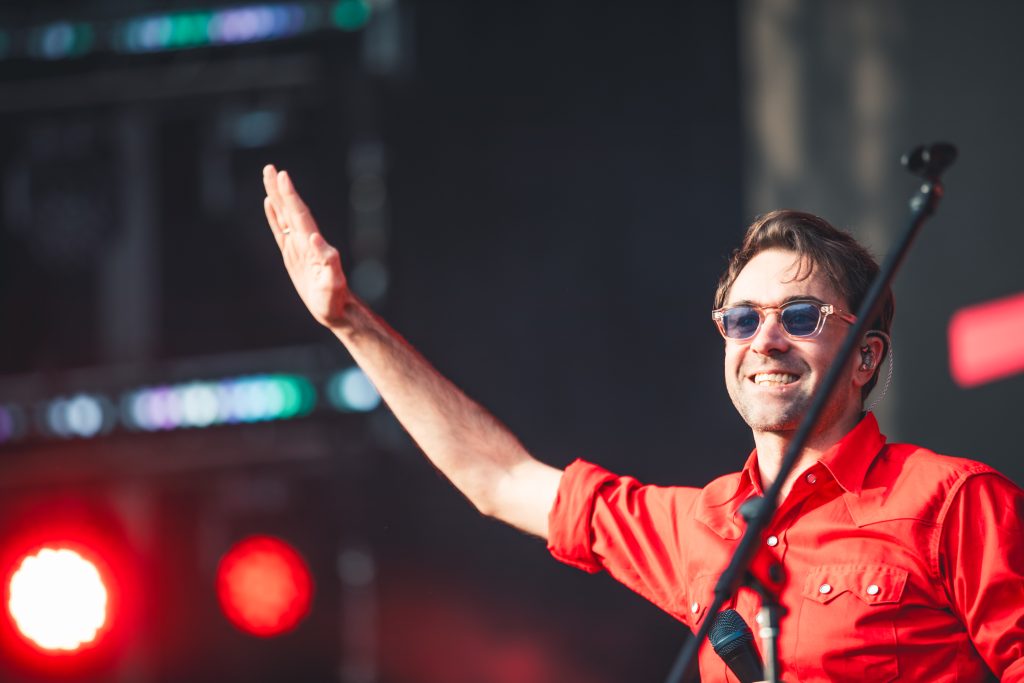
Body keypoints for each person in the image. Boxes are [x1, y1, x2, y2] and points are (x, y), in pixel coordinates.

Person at [260, 165, 1024, 682]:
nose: (765, 340)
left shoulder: (952, 500)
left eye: (799, 315)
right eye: (741, 319)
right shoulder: (702, 526)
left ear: (865, 359)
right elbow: (499, 479)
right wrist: (350, 322)